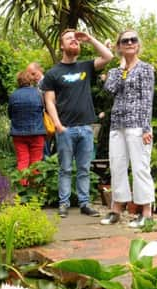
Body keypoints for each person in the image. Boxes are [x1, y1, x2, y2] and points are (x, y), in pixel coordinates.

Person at [40, 29, 113, 218]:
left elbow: (108, 56)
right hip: (65, 129)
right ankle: (63, 204)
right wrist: (57, 125)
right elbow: (49, 101)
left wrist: (90, 39)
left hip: (86, 128)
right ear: (62, 46)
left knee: (83, 169)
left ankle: (84, 204)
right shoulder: (53, 73)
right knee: (65, 168)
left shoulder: (86, 67)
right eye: (68, 38)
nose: (74, 40)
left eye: (75, 38)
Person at [99, 29, 155, 227]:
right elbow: (110, 89)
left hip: (138, 126)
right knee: (117, 166)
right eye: (125, 41)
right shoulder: (116, 72)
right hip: (117, 125)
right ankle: (116, 209)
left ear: (138, 44)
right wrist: (122, 67)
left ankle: (146, 212)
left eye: (133, 40)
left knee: (140, 167)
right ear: (119, 46)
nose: (130, 42)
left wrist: (147, 128)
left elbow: (148, 100)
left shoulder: (146, 69)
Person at [8, 71, 46, 185]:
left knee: (22, 161)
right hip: (37, 132)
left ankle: (23, 188)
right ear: (31, 80)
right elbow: (43, 111)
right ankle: (34, 188)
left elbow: (10, 114)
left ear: (18, 81)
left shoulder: (13, 95)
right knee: (36, 162)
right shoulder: (38, 94)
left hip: (18, 133)